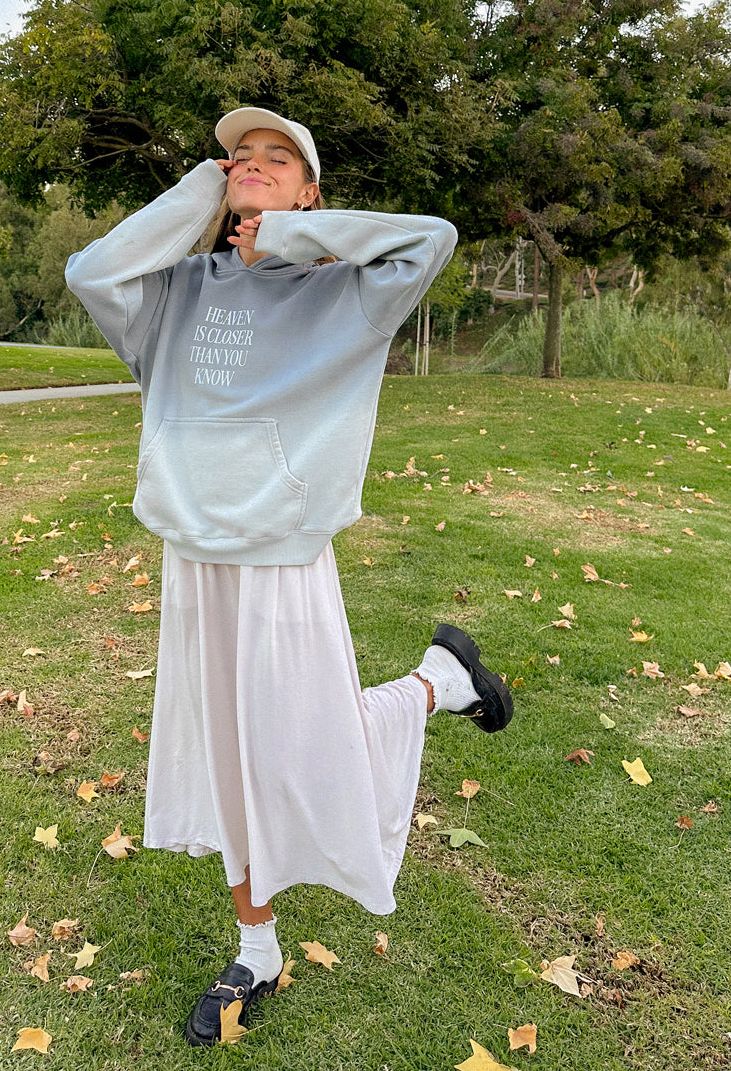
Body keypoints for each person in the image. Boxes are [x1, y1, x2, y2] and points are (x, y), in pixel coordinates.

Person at [65, 107, 513, 1046]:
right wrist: (206, 192)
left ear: (312, 193)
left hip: (282, 551)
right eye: (239, 156)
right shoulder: (174, 292)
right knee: (226, 761)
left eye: (279, 159)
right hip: (193, 554)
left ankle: (437, 684)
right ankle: (255, 948)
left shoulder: (346, 294)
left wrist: (289, 236)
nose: (253, 165)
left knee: (308, 747)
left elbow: (431, 239)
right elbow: (91, 272)